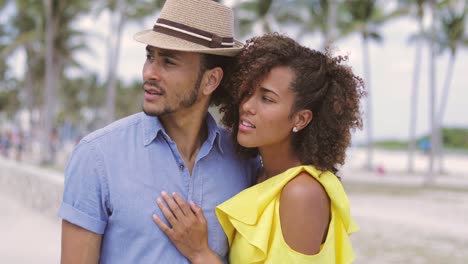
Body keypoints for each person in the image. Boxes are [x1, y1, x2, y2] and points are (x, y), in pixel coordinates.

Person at [59, 0, 259, 263]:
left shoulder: (245, 162)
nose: (149, 73)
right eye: (150, 56)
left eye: (168, 62)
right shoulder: (97, 156)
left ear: (211, 80)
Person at [153, 33, 364, 263]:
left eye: (267, 99)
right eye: (248, 92)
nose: (247, 106)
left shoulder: (301, 193)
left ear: (301, 119)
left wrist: (200, 253)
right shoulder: (262, 176)